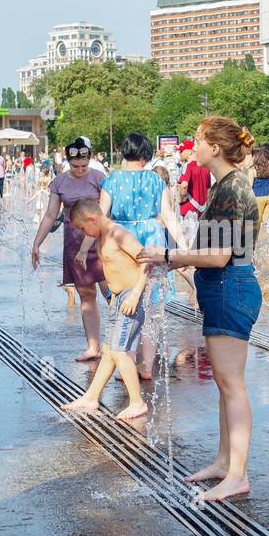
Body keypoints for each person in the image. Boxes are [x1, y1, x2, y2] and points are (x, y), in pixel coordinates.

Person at [137, 116, 261, 502]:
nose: (192, 145)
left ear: (215, 148)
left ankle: (237, 473)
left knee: (232, 384)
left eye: (198, 140)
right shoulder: (226, 185)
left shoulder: (231, 189)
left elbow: (222, 256)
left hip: (230, 287)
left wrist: (167, 255)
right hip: (224, 288)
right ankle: (225, 462)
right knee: (226, 383)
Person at [86, 132, 187, 378]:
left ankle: (126, 363)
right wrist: (183, 247)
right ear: (145, 155)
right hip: (151, 241)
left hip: (121, 241)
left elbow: (101, 216)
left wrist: (85, 246)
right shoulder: (156, 180)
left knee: (125, 305)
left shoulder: (111, 181)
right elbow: (169, 217)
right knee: (152, 307)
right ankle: (147, 367)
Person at [61, 200, 151, 420]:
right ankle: (91, 397)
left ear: (92, 218)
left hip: (131, 298)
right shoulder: (102, 236)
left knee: (119, 352)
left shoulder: (118, 234)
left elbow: (147, 261)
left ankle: (137, 402)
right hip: (119, 300)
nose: (83, 233)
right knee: (110, 351)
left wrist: (136, 293)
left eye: (82, 228)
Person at [32, 137, 107, 362]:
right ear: (68, 161)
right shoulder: (59, 183)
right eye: (75, 166)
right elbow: (49, 215)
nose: (80, 170)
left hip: (100, 239)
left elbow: (107, 212)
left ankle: (118, 347)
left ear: (90, 159)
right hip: (74, 241)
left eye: (84, 165)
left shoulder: (99, 178)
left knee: (112, 292)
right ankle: (93, 346)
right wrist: (37, 243)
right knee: (86, 293)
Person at [178, 139, 212, 226]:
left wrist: (181, 199)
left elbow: (184, 185)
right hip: (203, 209)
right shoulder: (205, 165)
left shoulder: (188, 165)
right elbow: (208, 189)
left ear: (190, 152)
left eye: (181, 151)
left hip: (188, 209)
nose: (180, 154)